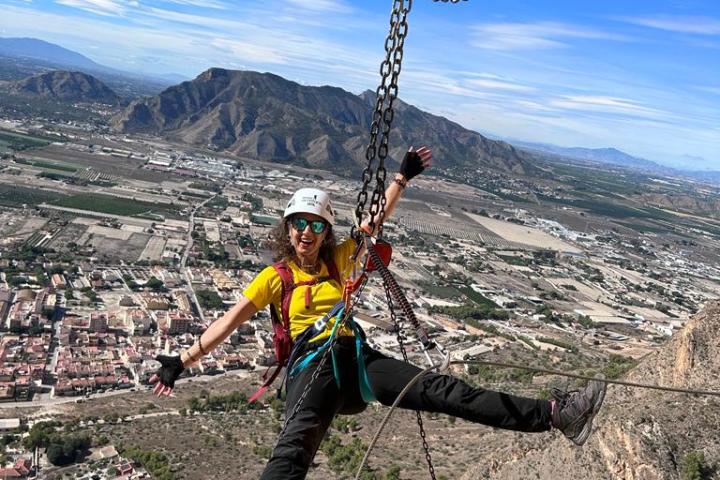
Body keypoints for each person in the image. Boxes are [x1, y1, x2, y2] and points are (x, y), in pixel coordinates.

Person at [150, 146, 606, 479]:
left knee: (445, 391)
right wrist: (181, 363)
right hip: (312, 365)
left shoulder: (341, 258)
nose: (306, 232)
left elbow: (375, 220)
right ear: (287, 230)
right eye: (299, 225)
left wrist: (402, 178)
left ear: (325, 231)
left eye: (316, 225)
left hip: (356, 359)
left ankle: (553, 415)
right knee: (293, 452)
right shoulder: (276, 278)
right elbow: (228, 322)